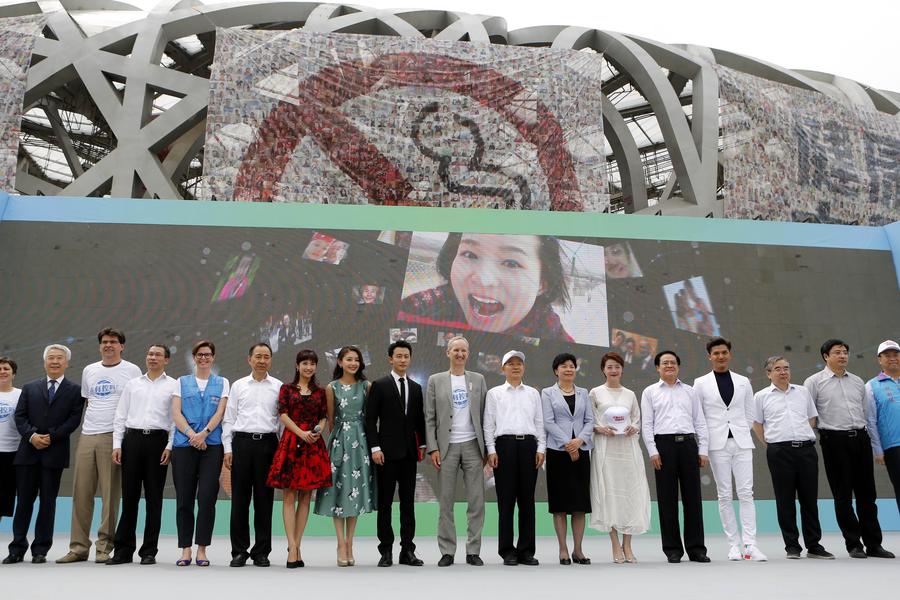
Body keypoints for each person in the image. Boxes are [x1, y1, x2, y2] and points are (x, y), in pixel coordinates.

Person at [58, 328, 141, 565]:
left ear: (122, 346)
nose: (108, 345)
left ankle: (104, 546)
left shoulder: (132, 370)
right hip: (88, 435)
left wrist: (121, 439)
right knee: (81, 494)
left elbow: (133, 404)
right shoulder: (89, 370)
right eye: (104, 342)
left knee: (110, 495)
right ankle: (78, 547)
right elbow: (89, 401)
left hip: (113, 437)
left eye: (113, 342)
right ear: (99, 346)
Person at [804, 339, 893, 559]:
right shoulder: (814, 382)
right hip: (834, 440)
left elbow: (864, 412)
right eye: (837, 352)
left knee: (867, 494)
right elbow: (809, 415)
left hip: (860, 438)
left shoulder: (857, 381)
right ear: (826, 356)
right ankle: (853, 544)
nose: (843, 356)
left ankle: (874, 544)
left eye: (845, 352)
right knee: (842, 494)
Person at [398, 233, 573, 341]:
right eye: (470, 254)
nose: (483, 279)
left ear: (542, 283)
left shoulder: (555, 343)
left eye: (511, 263)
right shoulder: (414, 312)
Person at [4, 345, 84, 565]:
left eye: (59, 358)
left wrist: (50, 436)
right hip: (28, 454)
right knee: (24, 503)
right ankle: (16, 549)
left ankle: (40, 550)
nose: (55, 362)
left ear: (66, 362)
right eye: (51, 358)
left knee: (48, 503)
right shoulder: (29, 388)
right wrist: (32, 436)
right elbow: (19, 417)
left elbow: (73, 420)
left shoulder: (75, 390)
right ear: (45, 362)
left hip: (54, 454)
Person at [752, 356, 833, 560]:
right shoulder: (761, 396)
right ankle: (792, 546)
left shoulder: (803, 392)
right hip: (779, 452)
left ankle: (814, 545)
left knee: (809, 499)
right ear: (768, 373)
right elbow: (757, 425)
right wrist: (771, 445)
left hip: (806, 450)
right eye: (777, 369)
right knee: (785, 500)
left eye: (786, 368)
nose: (783, 372)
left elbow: (812, 418)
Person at [692, 337, 766, 561]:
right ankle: (733, 544)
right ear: (710, 356)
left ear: (730, 354)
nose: (721, 356)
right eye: (716, 353)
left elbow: (750, 411)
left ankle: (750, 544)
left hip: (742, 442)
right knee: (724, 494)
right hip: (716, 444)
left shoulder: (743, 381)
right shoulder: (700, 383)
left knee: (746, 493)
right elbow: (699, 417)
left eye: (724, 352)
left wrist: (741, 428)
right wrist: (703, 447)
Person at [106, 344, 178, 565]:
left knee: (154, 498)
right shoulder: (132, 384)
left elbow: (176, 419)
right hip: (132, 441)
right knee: (129, 497)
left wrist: (170, 446)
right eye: (150, 354)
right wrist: (117, 444)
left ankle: (149, 551)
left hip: (158, 442)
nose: (152, 357)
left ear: (166, 360)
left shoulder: (174, 386)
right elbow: (120, 415)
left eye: (157, 355)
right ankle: (123, 551)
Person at [640, 350, 710, 563]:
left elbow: (700, 422)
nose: (669, 366)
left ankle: (697, 549)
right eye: (664, 363)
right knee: (667, 500)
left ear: (678, 366)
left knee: (693, 500)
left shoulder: (690, 391)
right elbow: (647, 425)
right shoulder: (650, 392)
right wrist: (652, 450)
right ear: (657, 368)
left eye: (673, 363)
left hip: (688, 445)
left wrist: (703, 449)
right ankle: (672, 549)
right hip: (664, 446)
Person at [425, 336, 488, 567]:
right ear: (447, 353)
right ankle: (447, 551)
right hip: (447, 447)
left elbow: (485, 416)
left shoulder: (479, 379)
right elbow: (429, 417)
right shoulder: (436, 380)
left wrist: (487, 450)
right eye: (455, 350)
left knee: (476, 500)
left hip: (473, 446)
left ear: (468, 354)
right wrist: (433, 447)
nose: (459, 354)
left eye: (463, 350)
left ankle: (473, 550)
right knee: (446, 501)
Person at [266, 349, 331, 568]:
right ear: (297, 366)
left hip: (312, 446)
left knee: (305, 497)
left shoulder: (320, 392)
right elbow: (282, 414)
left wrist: (317, 431)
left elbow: (323, 416)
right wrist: (300, 433)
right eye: (305, 363)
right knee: (289, 496)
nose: (309, 367)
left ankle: (297, 545)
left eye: (312, 363)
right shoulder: (286, 389)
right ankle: (291, 546)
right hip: (292, 444)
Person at [366, 340, 426, 567]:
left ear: (410, 359)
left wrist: (422, 445)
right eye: (398, 356)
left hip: (410, 455)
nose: (402, 360)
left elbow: (419, 420)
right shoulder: (379, 385)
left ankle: (407, 550)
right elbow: (371, 419)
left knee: (408, 504)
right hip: (385, 455)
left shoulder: (416, 387)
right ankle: (386, 551)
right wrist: (375, 448)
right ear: (390, 359)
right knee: (385, 504)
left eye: (406, 356)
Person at [314, 346, 376, 567]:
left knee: (355, 492)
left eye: (356, 360)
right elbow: (330, 420)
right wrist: (337, 444)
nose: (353, 363)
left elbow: (370, 418)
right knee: (338, 491)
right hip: (339, 442)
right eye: (348, 359)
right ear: (339, 362)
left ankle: (350, 542)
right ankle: (340, 543)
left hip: (361, 443)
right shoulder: (331, 388)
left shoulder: (367, 386)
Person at [223, 342, 283, 568]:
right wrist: (228, 449)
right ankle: (239, 551)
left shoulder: (278, 386)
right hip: (242, 444)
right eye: (258, 356)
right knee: (239, 501)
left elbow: (281, 423)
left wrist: (280, 452)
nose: (262, 360)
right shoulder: (238, 386)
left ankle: (261, 551)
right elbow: (229, 419)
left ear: (270, 360)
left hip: (268, 445)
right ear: (249, 359)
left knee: (264, 501)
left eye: (266, 356)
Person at [484, 350, 546, 566]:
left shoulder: (532, 393)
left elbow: (539, 423)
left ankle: (526, 550)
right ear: (503, 368)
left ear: (524, 368)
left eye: (519, 363)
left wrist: (541, 448)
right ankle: (507, 551)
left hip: (529, 446)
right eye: (510, 363)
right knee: (506, 501)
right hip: (504, 446)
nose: (515, 366)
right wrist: (491, 450)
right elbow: (488, 424)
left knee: (527, 501)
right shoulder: (494, 393)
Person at [171, 340, 229, 567]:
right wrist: (191, 435)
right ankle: (186, 549)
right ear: (194, 358)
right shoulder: (181, 382)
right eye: (199, 355)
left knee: (206, 498)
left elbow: (221, 412)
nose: (203, 358)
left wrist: (203, 434)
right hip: (184, 446)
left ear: (213, 357)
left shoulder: (222, 383)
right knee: (184, 499)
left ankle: (202, 549)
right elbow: (176, 413)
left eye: (207, 354)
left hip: (211, 446)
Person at [588, 352, 650, 563]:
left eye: (617, 366)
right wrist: (599, 429)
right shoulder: (595, 393)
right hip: (606, 451)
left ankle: (628, 545)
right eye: (609, 367)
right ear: (603, 369)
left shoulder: (630, 394)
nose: (613, 370)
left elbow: (637, 420)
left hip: (627, 451)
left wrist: (633, 428)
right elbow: (591, 422)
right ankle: (615, 545)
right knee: (609, 495)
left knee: (630, 495)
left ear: (622, 369)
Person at [541, 352, 593, 565]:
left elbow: (590, 420)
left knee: (580, 504)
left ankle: (578, 550)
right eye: (564, 366)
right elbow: (548, 422)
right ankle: (563, 549)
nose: (569, 369)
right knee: (560, 505)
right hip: (557, 453)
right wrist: (567, 443)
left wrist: (578, 441)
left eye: (572, 365)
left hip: (581, 452)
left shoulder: (583, 392)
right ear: (556, 370)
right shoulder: (547, 393)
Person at [867, 340, 900, 513]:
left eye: (896, 354)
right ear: (880, 359)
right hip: (894, 446)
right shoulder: (872, 386)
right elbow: (871, 420)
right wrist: (877, 449)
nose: (892, 358)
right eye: (887, 355)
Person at [0, 357, 21, 525]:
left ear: (13, 373)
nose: (2, 372)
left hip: (13, 453)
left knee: (3, 500)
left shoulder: (21, 395)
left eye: (6, 368)